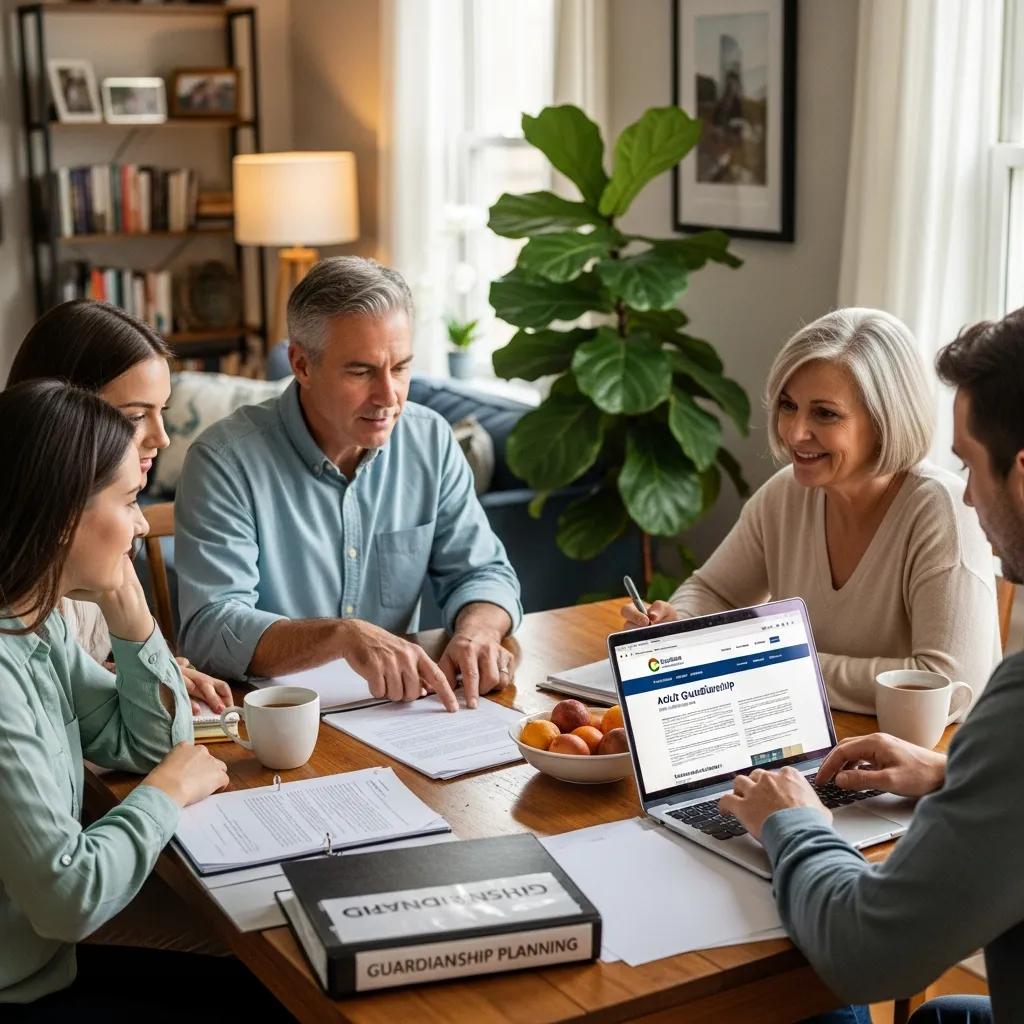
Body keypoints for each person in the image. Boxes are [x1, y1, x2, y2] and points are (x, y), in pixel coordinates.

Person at [718, 308, 1024, 1024]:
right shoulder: (787, 498)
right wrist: (952, 776)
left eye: (971, 466)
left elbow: (867, 956)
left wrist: (794, 822)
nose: (969, 494)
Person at [0, 380, 290, 1021]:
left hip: (48, 958)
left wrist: (132, 617)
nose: (138, 524)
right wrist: (168, 792)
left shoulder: (34, 622)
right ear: (59, 514)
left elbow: (147, 743)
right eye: (131, 500)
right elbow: (67, 895)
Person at [176, 256, 522, 709]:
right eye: (361, 372)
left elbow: (484, 573)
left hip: (404, 714)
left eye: (399, 367)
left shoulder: (431, 438)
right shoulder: (224, 460)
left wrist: (477, 631)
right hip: (277, 727)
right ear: (301, 364)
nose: (388, 397)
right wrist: (341, 637)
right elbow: (211, 628)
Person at [621, 308, 1000, 714]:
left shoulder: (943, 511)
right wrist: (678, 624)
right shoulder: (786, 493)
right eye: (788, 405)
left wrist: (773, 664)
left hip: (924, 762)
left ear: (885, 418)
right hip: (809, 735)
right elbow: (716, 591)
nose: (795, 432)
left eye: (824, 413)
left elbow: (950, 687)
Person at [7, 299, 232, 716]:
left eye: (161, 411)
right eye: (134, 416)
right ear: (63, 414)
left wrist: (138, 673)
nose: (162, 438)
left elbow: (74, 673)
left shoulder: (106, 531)